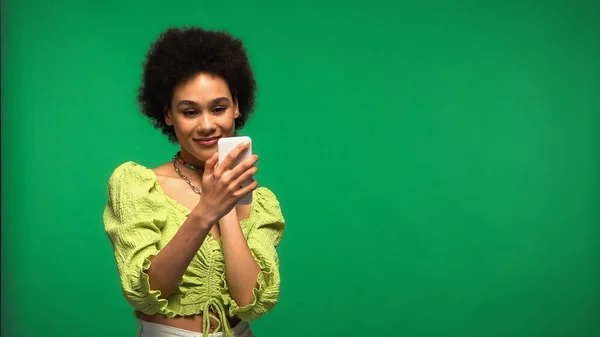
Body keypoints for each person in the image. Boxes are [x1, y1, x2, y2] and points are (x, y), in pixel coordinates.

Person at [103, 26, 285, 337]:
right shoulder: (138, 185)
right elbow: (144, 291)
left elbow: (251, 302)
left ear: (236, 107)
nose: (207, 125)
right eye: (190, 111)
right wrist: (206, 210)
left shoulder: (260, 202)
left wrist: (225, 205)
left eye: (218, 108)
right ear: (169, 115)